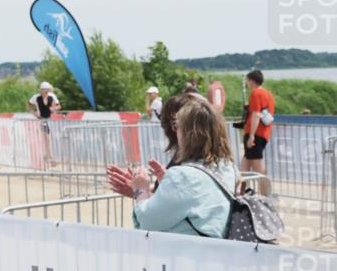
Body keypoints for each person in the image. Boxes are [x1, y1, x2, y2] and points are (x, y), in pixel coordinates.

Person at [109, 98, 235, 237]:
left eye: (177, 125)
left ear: (189, 134)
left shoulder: (182, 176)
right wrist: (167, 185)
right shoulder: (228, 167)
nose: (175, 131)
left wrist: (140, 190)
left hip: (186, 255)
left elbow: (147, 222)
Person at [241, 70, 275, 194]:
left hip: (255, 133)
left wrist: (251, 136)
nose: (247, 83)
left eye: (248, 80)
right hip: (264, 133)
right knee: (245, 163)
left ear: (251, 81)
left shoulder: (255, 93)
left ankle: (265, 196)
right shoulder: (268, 94)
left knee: (257, 167)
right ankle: (241, 192)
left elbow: (256, 114)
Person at [28, 81, 61, 165]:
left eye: (47, 91)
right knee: (47, 138)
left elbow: (59, 106)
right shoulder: (36, 97)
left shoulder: (52, 96)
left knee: (48, 138)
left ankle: (47, 155)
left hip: (51, 119)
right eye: (44, 91)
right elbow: (29, 105)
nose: (46, 93)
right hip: (42, 119)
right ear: (41, 90)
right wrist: (34, 113)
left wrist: (54, 109)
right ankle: (51, 158)